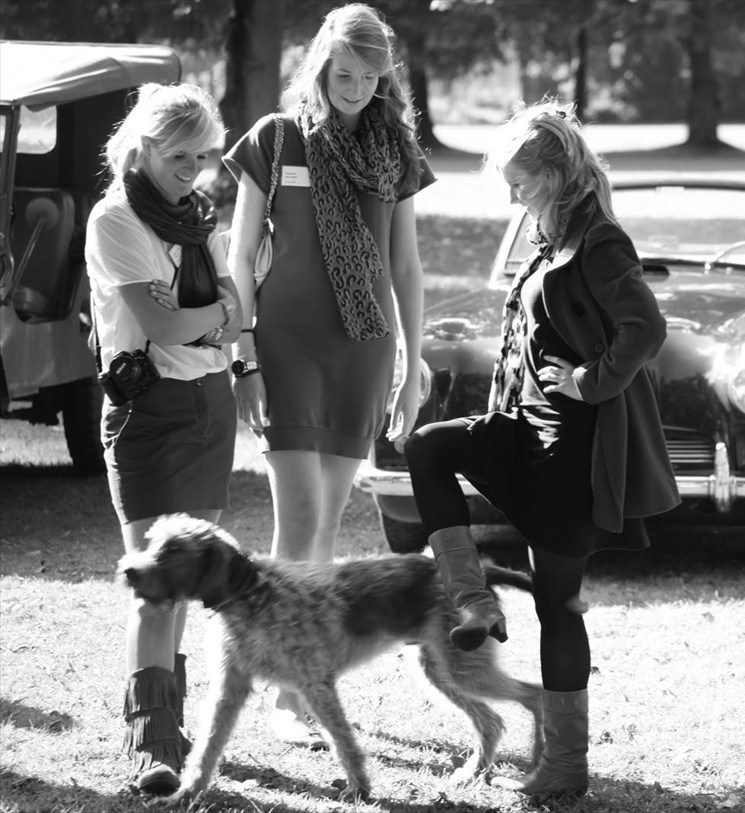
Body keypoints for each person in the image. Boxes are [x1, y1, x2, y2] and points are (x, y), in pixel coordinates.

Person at [402, 101, 679, 799]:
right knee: (428, 446)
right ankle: (474, 601)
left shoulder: (599, 240)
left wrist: (590, 380)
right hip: (523, 429)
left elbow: (645, 328)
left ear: (554, 175)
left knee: (559, 604)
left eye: (520, 183)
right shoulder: (551, 236)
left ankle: (563, 765)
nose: (512, 198)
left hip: (570, 449)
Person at [222, 2, 434, 745]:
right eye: (343, 74)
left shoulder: (396, 149)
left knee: (329, 521)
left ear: (384, 78)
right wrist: (242, 353)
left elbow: (405, 266)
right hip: (284, 347)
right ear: (319, 68)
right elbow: (239, 256)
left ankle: (302, 681)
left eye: (369, 77)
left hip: (363, 351)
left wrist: (413, 361)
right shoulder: (276, 139)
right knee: (300, 519)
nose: (355, 88)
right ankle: (290, 694)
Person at [85, 83, 239, 795]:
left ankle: (170, 727)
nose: (193, 170)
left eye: (203, 156)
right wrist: (213, 314)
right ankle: (152, 743)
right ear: (144, 146)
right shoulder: (115, 218)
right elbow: (166, 325)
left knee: (185, 580)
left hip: (210, 406)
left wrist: (205, 316)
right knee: (154, 585)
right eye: (179, 156)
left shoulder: (200, 216)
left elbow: (236, 314)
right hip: (145, 411)